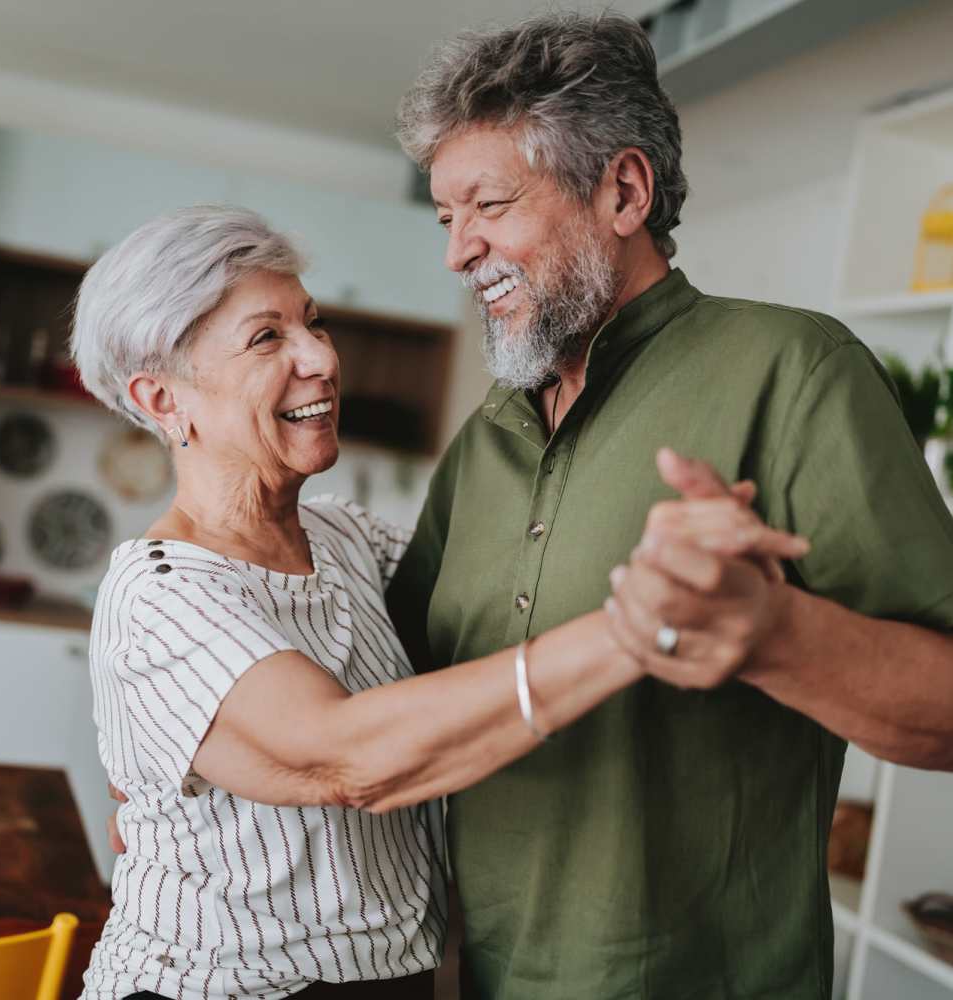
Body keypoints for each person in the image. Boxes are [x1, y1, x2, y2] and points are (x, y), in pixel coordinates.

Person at [73, 205, 804, 1000]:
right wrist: (635, 625)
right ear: (163, 399)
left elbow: (507, 613)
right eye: (266, 339)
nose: (321, 356)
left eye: (313, 323)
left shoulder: (349, 540)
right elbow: (346, 756)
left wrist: (683, 557)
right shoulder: (159, 593)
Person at [389, 11, 953, 999]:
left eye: (487, 204)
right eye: (446, 218)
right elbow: (398, 701)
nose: (458, 252)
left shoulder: (793, 371)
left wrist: (774, 630)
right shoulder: (487, 435)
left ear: (623, 189)